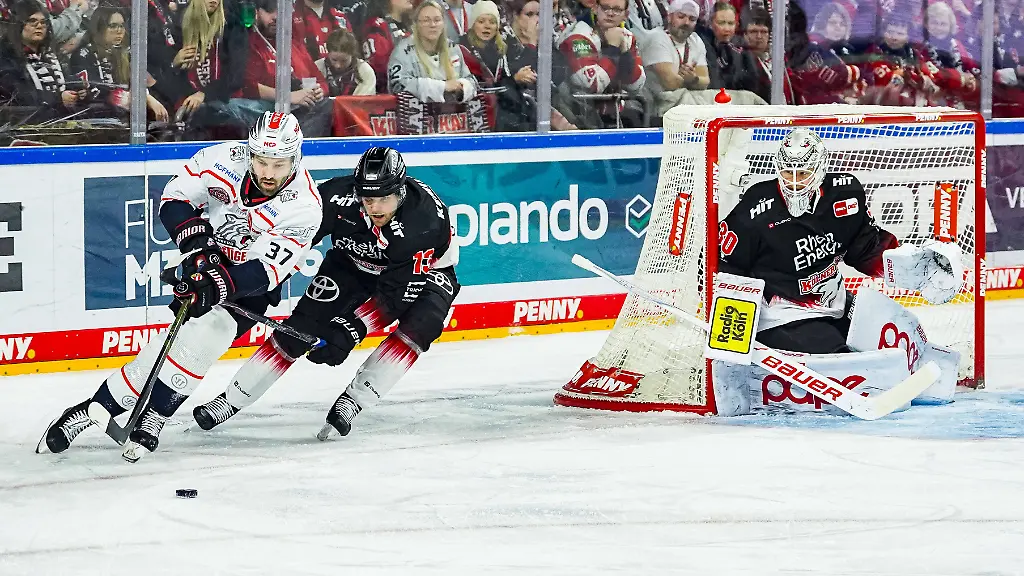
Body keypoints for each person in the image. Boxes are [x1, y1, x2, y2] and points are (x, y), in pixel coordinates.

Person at [38, 112, 323, 461]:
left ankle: (146, 413)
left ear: (295, 159)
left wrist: (215, 282)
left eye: (278, 165)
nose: (267, 173)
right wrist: (198, 248)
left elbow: (266, 271)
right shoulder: (221, 159)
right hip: (206, 256)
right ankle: (98, 408)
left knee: (208, 336)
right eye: (260, 161)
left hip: (251, 283)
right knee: (172, 342)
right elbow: (174, 199)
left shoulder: (305, 206)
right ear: (249, 153)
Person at [190, 147, 459, 440]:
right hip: (352, 264)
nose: (377, 208)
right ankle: (230, 400)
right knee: (301, 325)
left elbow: (396, 298)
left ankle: (354, 401)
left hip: (427, 271)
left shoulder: (422, 224)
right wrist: (260, 284)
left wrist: (350, 330)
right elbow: (293, 243)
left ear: (401, 193)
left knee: (424, 323)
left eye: (385, 199)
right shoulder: (332, 198)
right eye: (369, 199)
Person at [718, 127, 958, 354]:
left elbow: (864, 249)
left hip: (837, 306)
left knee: (901, 343)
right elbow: (721, 264)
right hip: (784, 317)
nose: (794, 182)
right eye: (787, 172)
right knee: (844, 360)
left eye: (802, 173)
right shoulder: (757, 207)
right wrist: (736, 328)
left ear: (819, 170)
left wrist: (913, 268)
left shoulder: (844, 195)